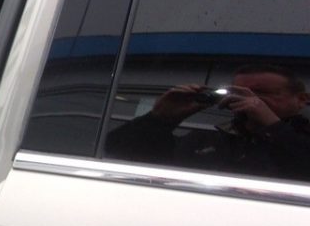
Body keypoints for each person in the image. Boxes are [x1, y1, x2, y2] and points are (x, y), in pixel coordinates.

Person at [105, 64, 310, 181]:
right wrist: (161, 119)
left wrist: (272, 126)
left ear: (301, 100)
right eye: (237, 92)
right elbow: (118, 153)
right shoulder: (205, 142)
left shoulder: (302, 141)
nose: (250, 99)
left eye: (262, 93)